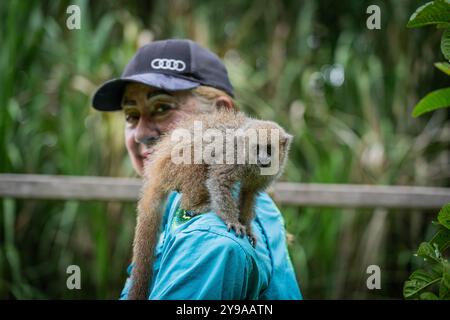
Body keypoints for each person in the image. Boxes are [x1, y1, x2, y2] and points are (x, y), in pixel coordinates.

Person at [91, 39, 302, 300]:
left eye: (162, 108)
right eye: (131, 115)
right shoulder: (183, 202)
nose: (141, 133)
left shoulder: (208, 240)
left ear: (221, 112)